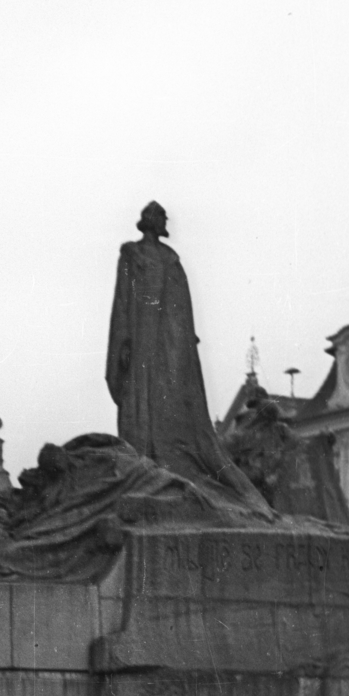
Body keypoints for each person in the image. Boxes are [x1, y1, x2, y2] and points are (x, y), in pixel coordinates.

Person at [105, 202, 271, 513]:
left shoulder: (171, 259)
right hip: (141, 335)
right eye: (160, 218)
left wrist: (184, 339)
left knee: (169, 398)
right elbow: (122, 298)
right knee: (140, 397)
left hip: (167, 340)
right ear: (150, 222)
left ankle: (165, 462)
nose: (164, 221)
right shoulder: (131, 253)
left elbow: (181, 304)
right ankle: (143, 459)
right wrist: (124, 340)